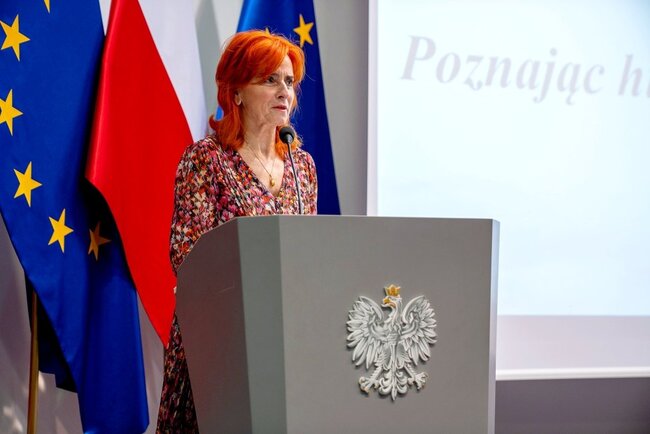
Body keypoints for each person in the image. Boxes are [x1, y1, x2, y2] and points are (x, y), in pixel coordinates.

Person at [156, 30, 318, 432]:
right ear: (237, 92)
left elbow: (311, 253)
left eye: (289, 81)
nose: (284, 91)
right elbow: (186, 256)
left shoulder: (302, 167)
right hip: (220, 343)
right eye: (270, 80)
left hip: (286, 343)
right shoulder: (207, 159)